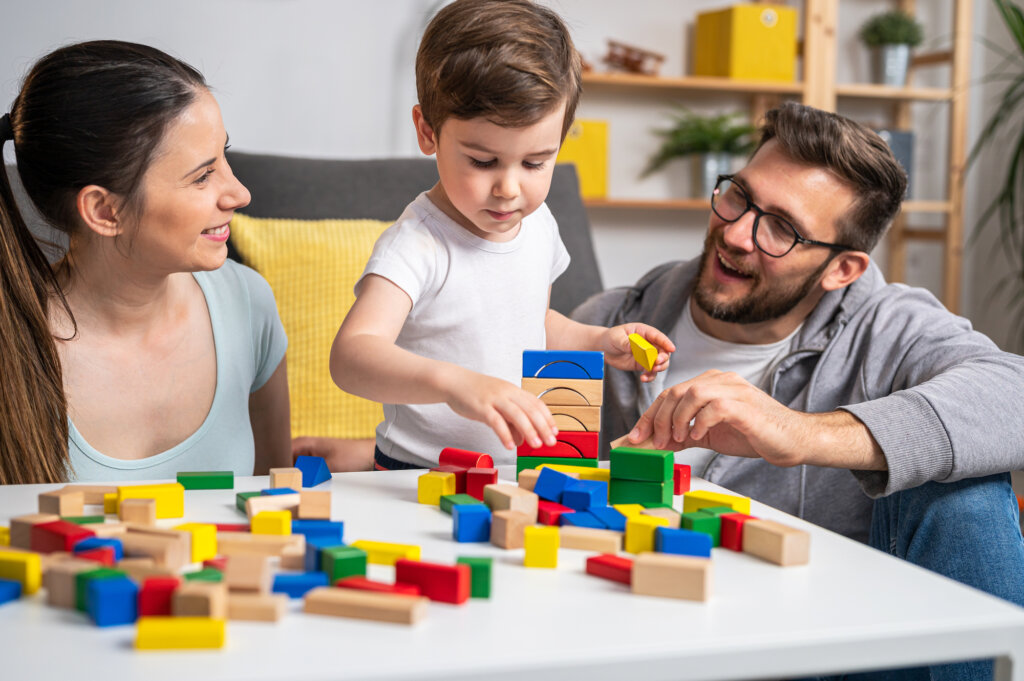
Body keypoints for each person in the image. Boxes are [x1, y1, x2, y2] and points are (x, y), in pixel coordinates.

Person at [574, 101, 1024, 680]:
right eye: (738, 195)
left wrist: (798, 433)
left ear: (843, 270)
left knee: (964, 488)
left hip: (825, 653)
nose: (735, 233)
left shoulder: (889, 326)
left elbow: (1013, 393)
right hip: (643, 642)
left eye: (782, 229)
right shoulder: (608, 323)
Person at [329, 0, 673, 470]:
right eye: (483, 161)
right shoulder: (417, 244)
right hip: (418, 473)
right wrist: (456, 384)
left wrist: (596, 339)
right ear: (428, 132)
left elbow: (530, 323)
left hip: (514, 474)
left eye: (535, 163)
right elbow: (353, 357)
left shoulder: (539, 224)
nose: (509, 189)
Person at [0, 40, 291, 484]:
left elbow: (276, 498)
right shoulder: (13, 346)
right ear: (104, 211)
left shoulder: (249, 304)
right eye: (203, 175)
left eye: (223, 158)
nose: (240, 194)